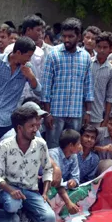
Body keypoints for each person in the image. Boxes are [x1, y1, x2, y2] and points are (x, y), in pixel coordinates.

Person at [0, 106, 56, 222]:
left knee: (50, 219)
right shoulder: (4, 145)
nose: (35, 129)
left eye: (36, 125)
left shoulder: (41, 144)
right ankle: (15, 211)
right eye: (31, 126)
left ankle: (26, 212)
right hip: (10, 189)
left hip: (30, 190)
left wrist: (45, 193)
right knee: (12, 205)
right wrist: (10, 190)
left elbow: (48, 169)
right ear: (19, 128)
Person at [41, 17, 94, 148]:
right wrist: (47, 114)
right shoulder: (53, 54)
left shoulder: (85, 56)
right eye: (64, 36)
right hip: (55, 113)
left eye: (71, 36)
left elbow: (88, 86)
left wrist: (88, 112)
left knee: (72, 149)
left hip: (76, 113)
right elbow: (46, 87)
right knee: (53, 147)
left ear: (79, 36)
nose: (66, 40)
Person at [0, 36, 39, 148]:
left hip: (7, 120)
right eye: (28, 56)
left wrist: (31, 77)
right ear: (18, 52)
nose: (29, 59)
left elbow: (39, 91)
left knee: (2, 149)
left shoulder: (28, 68)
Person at [4, 15, 46, 100]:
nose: (40, 33)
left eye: (41, 31)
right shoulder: (10, 49)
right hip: (13, 97)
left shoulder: (40, 52)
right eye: (37, 30)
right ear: (28, 30)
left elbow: (41, 78)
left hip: (33, 97)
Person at [48, 129, 82, 215]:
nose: (80, 146)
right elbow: (56, 182)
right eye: (78, 144)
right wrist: (68, 202)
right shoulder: (53, 154)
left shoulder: (74, 155)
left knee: (82, 192)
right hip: (51, 188)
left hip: (64, 187)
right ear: (71, 145)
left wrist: (73, 182)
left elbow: (76, 177)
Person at [89, 32, 112, 126]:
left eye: (105, 47)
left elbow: (110, 97)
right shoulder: (88, 63)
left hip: (97, 115)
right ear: (95, 47)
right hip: (81, 112)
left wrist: (106, 119)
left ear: (110, 49)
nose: (101, 50)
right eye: (99, 47)